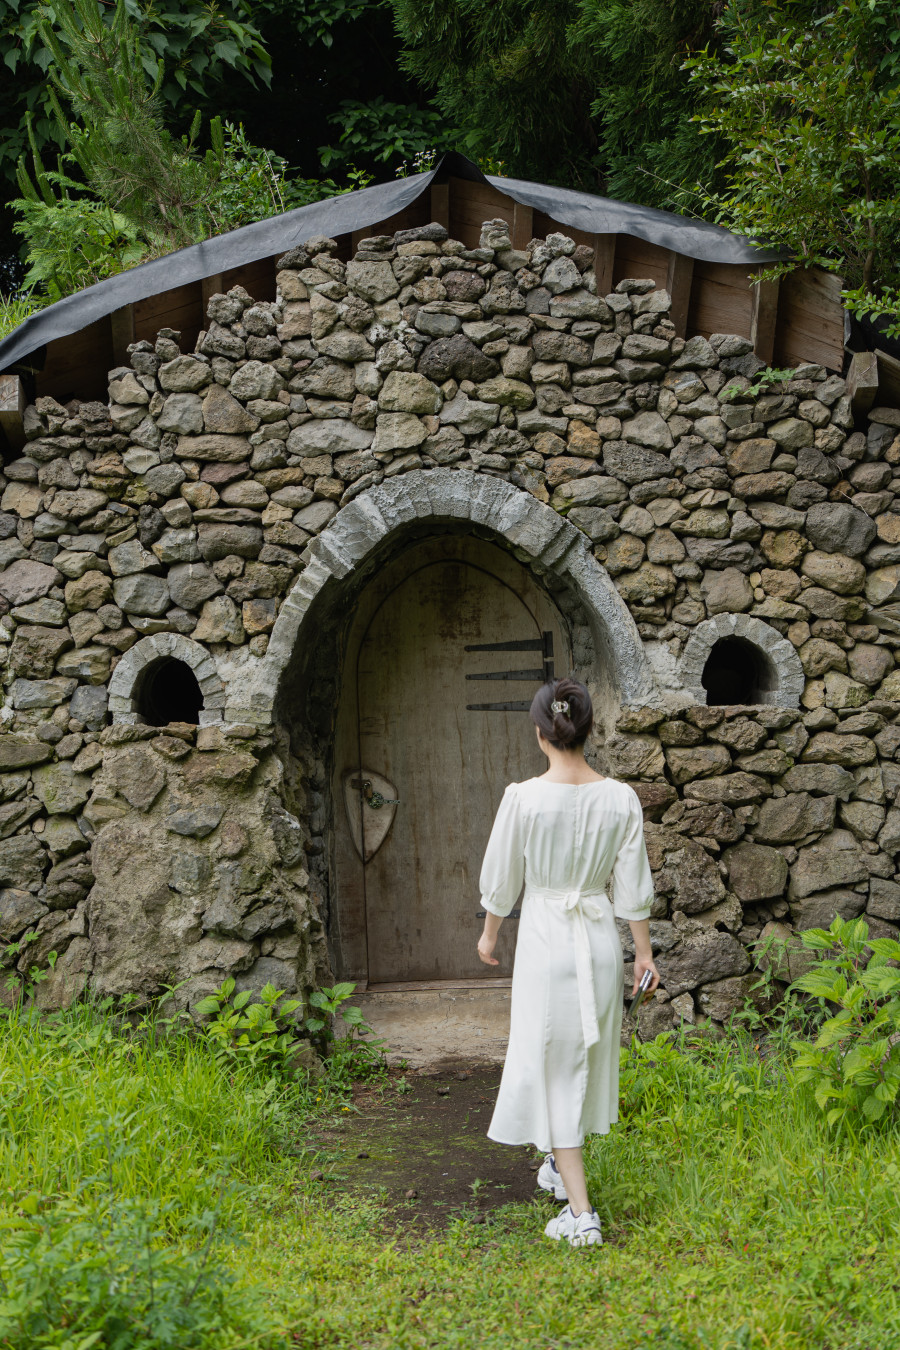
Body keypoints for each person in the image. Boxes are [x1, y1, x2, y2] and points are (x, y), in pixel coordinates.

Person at [477, 677, 659, 1248]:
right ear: (587, 731)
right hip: (601, 940)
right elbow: (632, 886)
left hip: (546, 939)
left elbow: (502, 878)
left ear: (540, 733)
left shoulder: (524, 797)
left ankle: (581, 1215)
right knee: (579, 1056)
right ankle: (559, 1166)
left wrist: (488, 937)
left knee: (554, 1065)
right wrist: (644, 954)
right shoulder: (620, 797)